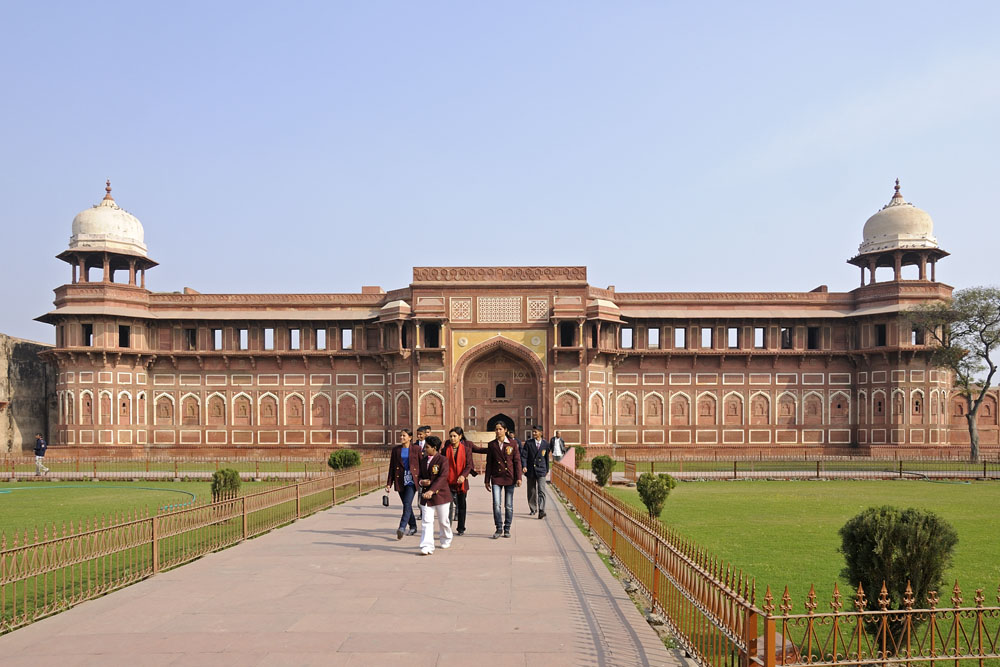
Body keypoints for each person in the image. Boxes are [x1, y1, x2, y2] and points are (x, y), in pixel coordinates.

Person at [482, 422, 522, 539]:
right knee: (496, 504)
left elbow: (517, 461)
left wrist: (519, 477)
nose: (498, 431)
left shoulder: (512, 443)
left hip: (509, 477)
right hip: (496, 477)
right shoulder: (492, 445)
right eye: (496, 429)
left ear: (505, 430)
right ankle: (499, 528)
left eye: (500, 429)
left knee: (508, 505)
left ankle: (507, 528)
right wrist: (486, 479)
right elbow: (489, 463)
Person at [417, 436, 453, 555]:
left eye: (427, 447)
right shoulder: (423, 460)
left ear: (434, 448)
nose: (425, 449)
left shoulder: (443, 460)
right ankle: (426, 546)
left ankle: (446, 538)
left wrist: (431, 490)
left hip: (441, 495)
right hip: (427, 497)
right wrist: (421, 482)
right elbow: (419, 476)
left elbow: (442, 478)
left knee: (443, 521)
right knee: (426, 521)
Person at [385, 429, 419, 539]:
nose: (401, 438)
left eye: (404, 436)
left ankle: (402, 527)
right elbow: (392, 467)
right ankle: (413, 526)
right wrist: (389, 483)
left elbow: (421, 465)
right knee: (406, 504)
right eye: (400, 436)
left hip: (411, 480)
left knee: (407, 502)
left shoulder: (416, 449)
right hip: (400, 479)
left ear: (410, 437)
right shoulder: (396, 450)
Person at [444, 427, 473, 535]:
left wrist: (463, 476)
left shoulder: (466, 450)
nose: (452, 438)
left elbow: (469, 465)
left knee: (461, 506)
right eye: (451, 436)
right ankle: (447, 528)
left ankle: (461, 528)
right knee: (448, 507)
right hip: (448, 481)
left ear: (460, 437)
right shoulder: (445, 450)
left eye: (454, 436)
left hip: (461, 482)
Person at [521, 425, 550, 518]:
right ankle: (533, 508)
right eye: (533, 432)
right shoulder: (528, 443)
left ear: (541, 433)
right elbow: (524, 456)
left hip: (541, 469)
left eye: (535, 432)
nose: (534, 433)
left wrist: (547, 469)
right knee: (531, 490)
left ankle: (541, 510)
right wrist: (524, 466)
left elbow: (546, 457)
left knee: (541, 490)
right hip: (530, 470)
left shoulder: (545, 444)